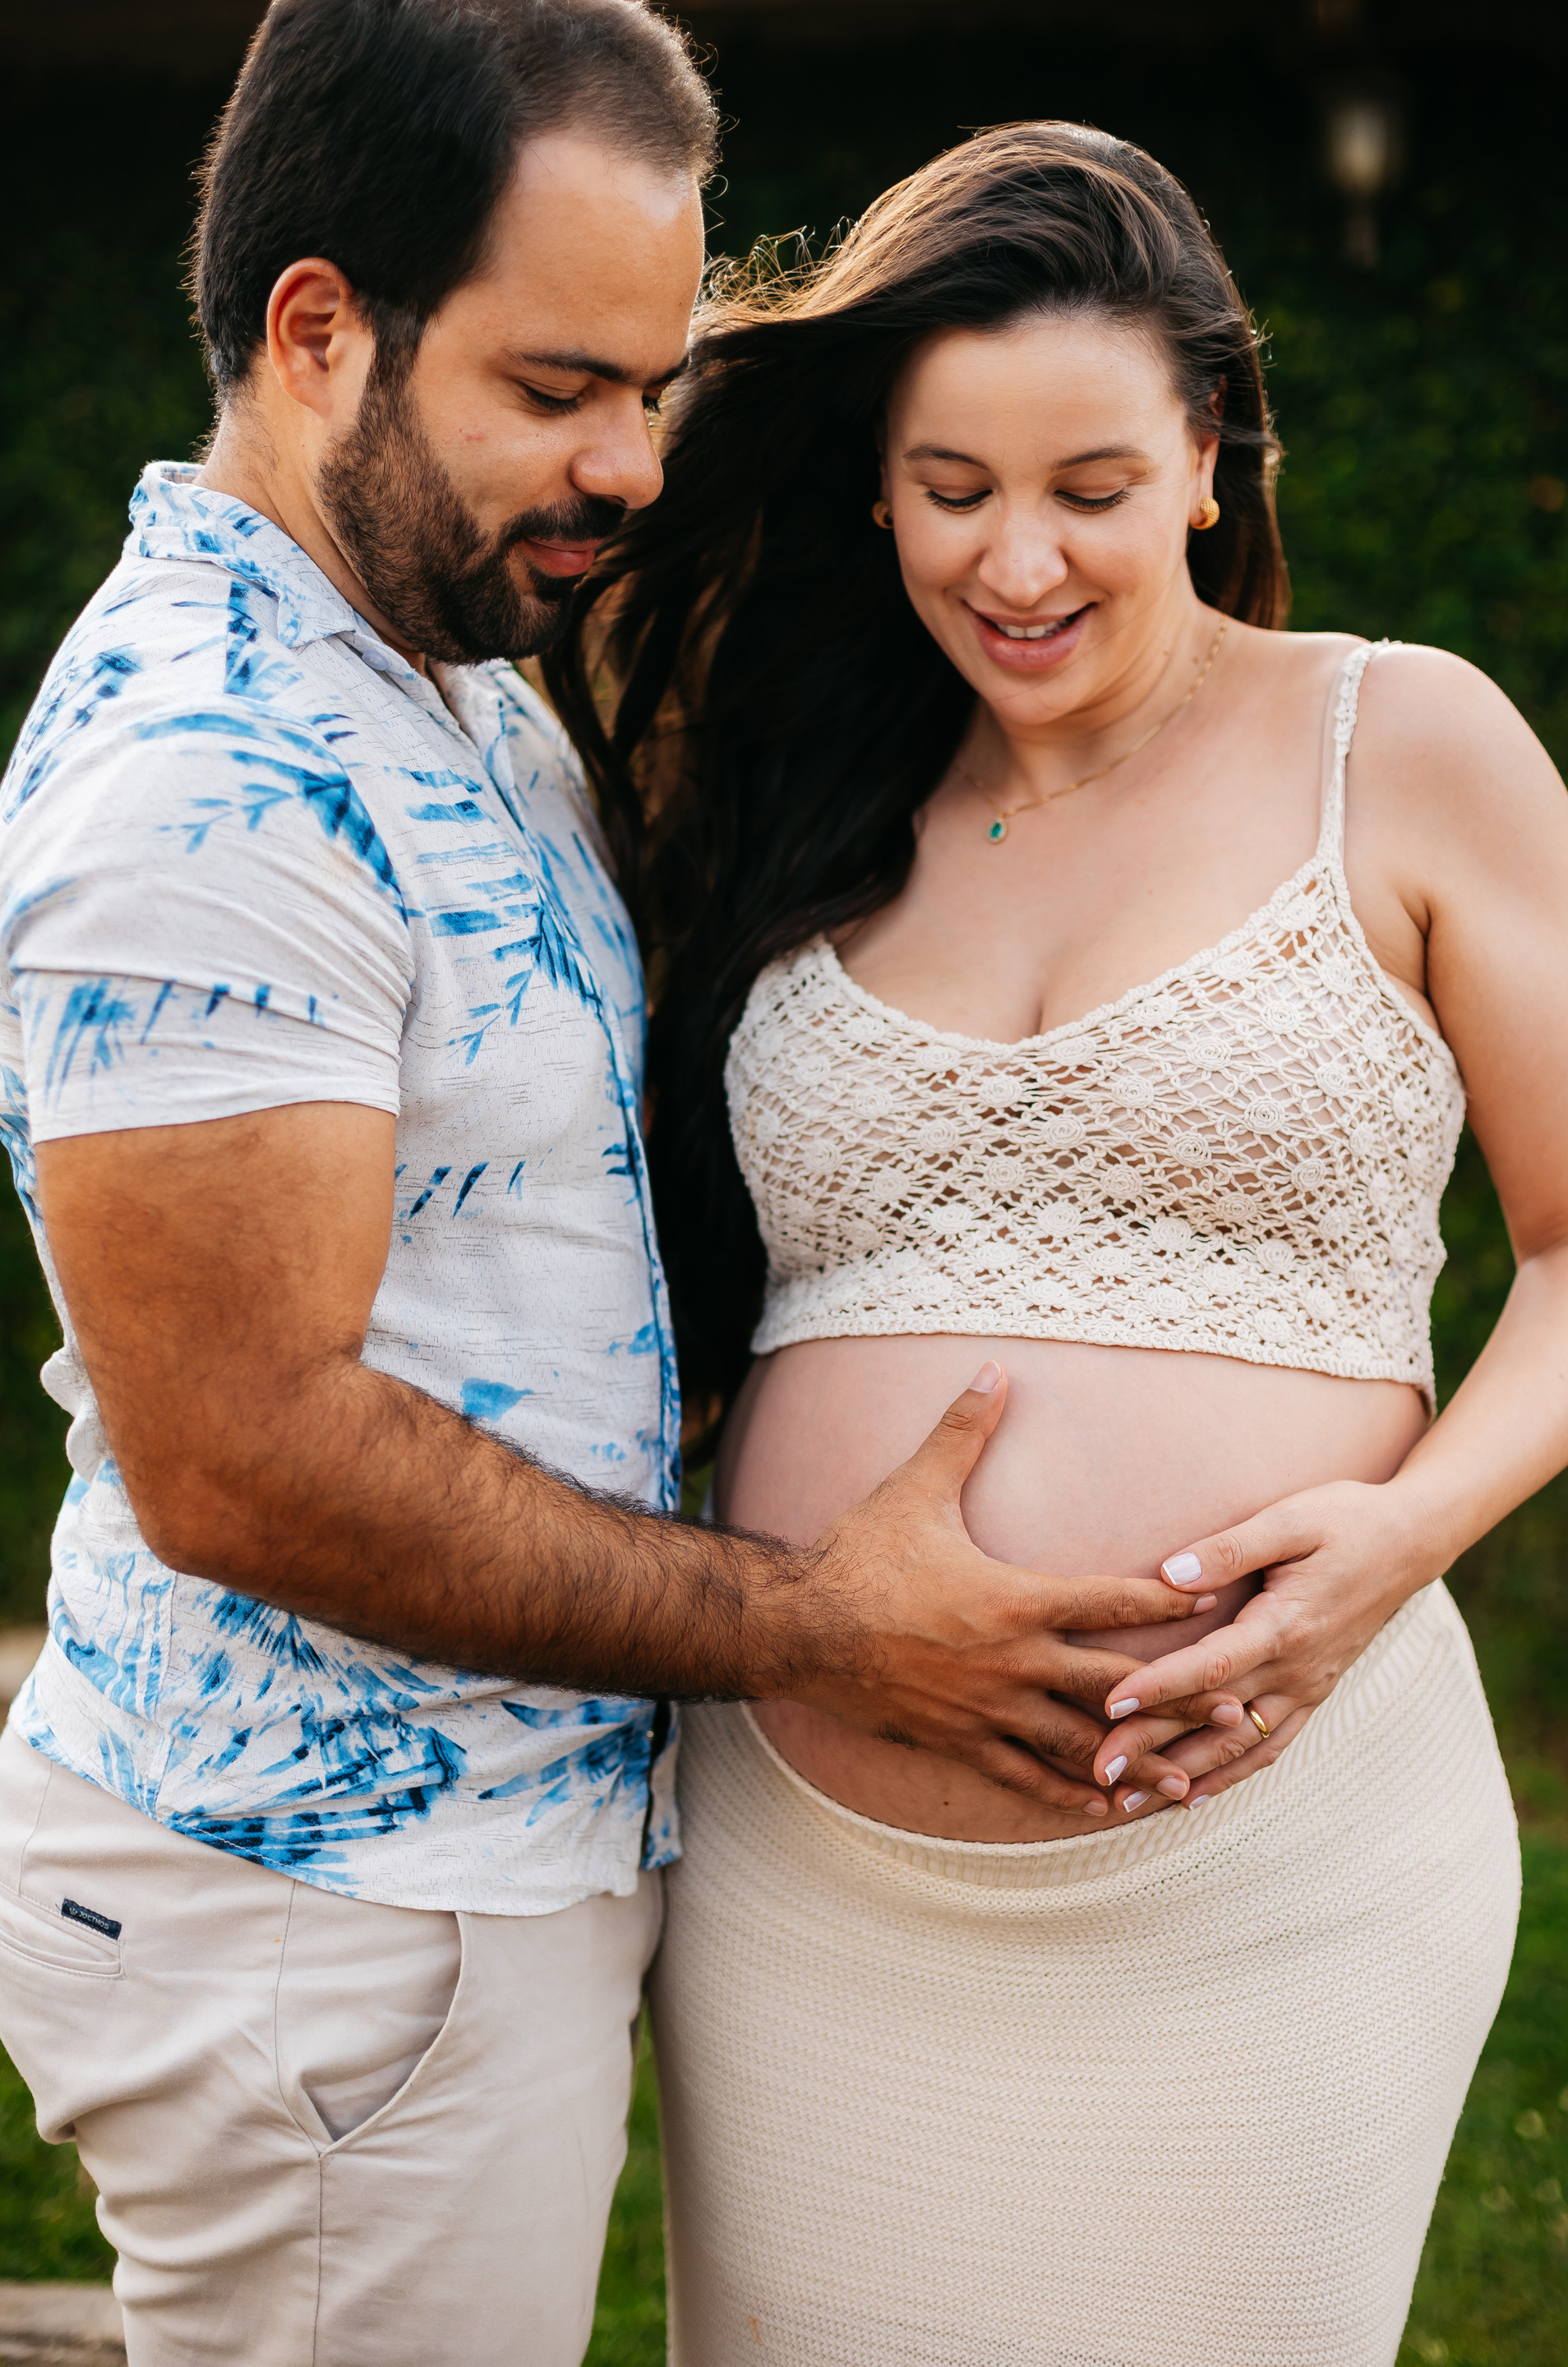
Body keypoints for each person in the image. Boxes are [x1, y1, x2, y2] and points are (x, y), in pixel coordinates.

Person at [0, 25, 1223, 2360]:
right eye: (558, 387)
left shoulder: (437, 669)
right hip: (339, 1909)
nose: (629, 466)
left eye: (651, 388)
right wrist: (817, 1627)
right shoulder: (212, 781)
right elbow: (244, 1457)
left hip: (446, 1883)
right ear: (319, 331)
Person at [550, 121, 1568, 2366]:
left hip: (1268, 1884)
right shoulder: (806, 799)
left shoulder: (1401, 744)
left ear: (1205, 454)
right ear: (880, 488)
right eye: (952, 489)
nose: (1016, 561)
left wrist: (1402, 1541)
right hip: (808, 1895)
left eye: (1090, 488)